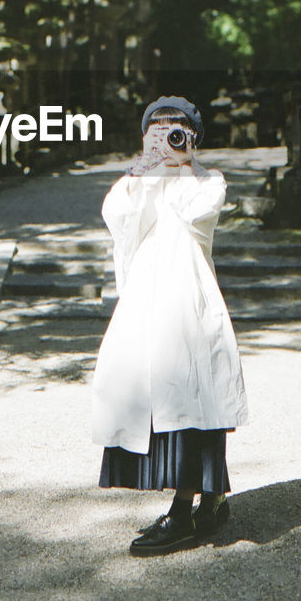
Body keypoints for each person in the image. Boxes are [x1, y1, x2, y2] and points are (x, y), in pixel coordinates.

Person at [92, 95, 248, 556]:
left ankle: (190, 507)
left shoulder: (206, 182)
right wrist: (145, 169)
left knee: (193, 394)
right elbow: (120, 221)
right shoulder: (137, 182)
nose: (168, 137)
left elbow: (195, 215)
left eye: (176, 130)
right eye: (158, 130)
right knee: (154, 397)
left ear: (194, 138)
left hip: (189, 303)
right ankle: (203, 502)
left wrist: (179, 166)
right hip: (145, 304)